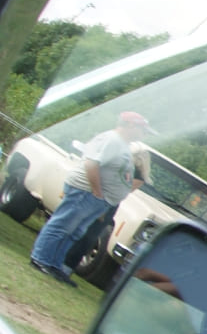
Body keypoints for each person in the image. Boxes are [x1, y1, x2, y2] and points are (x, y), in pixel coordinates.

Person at [30, 111, 151, 286]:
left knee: (74, 232)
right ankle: (40, 259)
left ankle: (53, 264)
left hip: (98, 198)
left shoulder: (122, 144)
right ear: (130, 125)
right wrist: (96, 190)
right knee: (61, 226)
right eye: (142, 129)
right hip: (84, 191)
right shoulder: (111, 140)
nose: (144, 134)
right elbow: (91, 163)